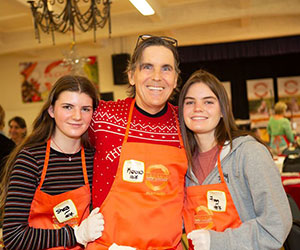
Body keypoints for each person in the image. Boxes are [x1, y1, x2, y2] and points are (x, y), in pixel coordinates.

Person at [87, 35, 188, 249]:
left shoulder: (186, 123)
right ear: (132, 75)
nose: (157, 77)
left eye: (166, 68)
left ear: (176, 79)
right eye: (148, 67)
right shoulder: (103, 116)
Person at [178, 69, 292, 250]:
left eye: (208, 102)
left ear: (223, 110)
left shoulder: (248, 153)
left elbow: (276, 224)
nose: (198, 108)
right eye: (190, 102)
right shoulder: (182, 163)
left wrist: (216, 242)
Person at [0, 75, 105, 250]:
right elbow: (14, 236)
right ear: (51, 110)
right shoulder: (30, 159)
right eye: (67, 107)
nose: (77, 116)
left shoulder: (94, 159)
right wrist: (76, 234)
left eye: (86, 109)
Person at [0, 105, 15, 173]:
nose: (12, 130)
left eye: (16, 127)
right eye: (11, 127)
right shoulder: (8, 144)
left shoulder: (9, 145)